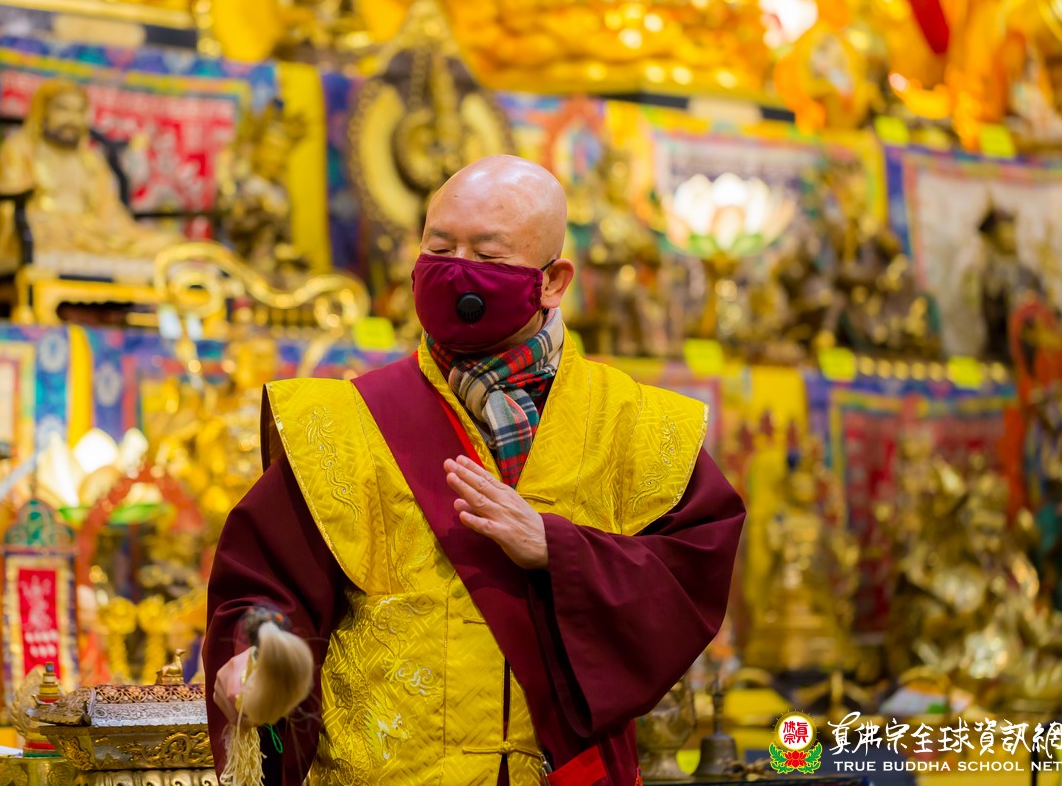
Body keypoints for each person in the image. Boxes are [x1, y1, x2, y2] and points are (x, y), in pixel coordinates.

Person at [203, 155, 745, 786]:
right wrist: (254, 655)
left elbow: (691, 572)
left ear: (553, 281)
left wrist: (558, 549)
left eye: (487, 254)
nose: (456, 269)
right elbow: (265, 582)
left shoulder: (634, 423)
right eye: (439, 248)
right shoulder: (339, 422)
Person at [0, 81, 185, 283]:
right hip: (50, 232)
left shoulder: (91, 160)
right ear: (42, 112)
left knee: (168, 244)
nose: (72, 119)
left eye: (79, 111)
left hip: (95, 233)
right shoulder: (19, 150)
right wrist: (70, 228)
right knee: (60, 235)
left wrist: (103, 234)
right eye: (62, 109)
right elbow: (7, 211)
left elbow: (111, 216)